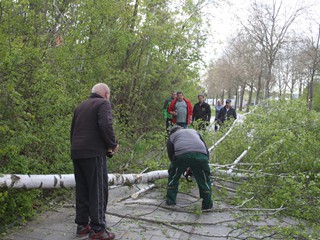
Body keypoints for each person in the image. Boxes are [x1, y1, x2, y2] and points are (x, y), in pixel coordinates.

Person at [71, 83, 119, 240]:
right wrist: (112, 144)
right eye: (109, 95)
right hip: (93, 153)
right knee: (98, 191)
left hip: (77, 152)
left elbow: (73, 130)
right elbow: (106, 124)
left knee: (82, 190)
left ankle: (82, 226)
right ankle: (98, 229)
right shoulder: (103, 103)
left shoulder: (81, 105)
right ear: (106, 94)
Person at [166, 126, 213, 210]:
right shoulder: (194, 131)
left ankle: (170, 202)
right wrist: (200, 166)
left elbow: (172, 157)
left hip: (181, 155)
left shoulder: (172, 137)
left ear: (172, 132)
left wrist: (181, 168)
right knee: (205, 180)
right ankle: (207, 205)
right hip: (201, 155)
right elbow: (206, 149)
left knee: (173, 177)